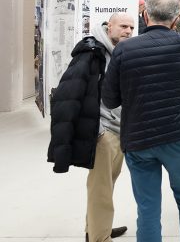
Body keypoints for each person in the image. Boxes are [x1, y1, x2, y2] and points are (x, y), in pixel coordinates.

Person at [102, 0, 180, 242]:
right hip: (179, 137)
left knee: (147, 208)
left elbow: (110, 100)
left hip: (139, 138)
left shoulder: (124, 49)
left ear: (144, 15)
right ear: (176, 18)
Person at [48, 13, 134, 242]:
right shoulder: (92, 53)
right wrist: (97, 132)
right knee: (101, 189)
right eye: (123, 26)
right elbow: (69, 93)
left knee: (106, 186)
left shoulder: (117, 53)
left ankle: (97, 228)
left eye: (131, 27)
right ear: (109, 27)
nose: (128, 31)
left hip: (118, 130)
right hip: (104, 132)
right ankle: (99, 237)